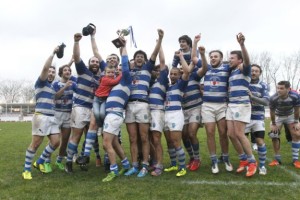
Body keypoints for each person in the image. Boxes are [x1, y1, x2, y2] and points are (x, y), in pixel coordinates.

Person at [124, 29, 164, 178]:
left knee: (144, 138)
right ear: (134, 60)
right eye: (137, 56)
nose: (139, 58)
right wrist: (122, 43)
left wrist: (159, 39)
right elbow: (123, 57)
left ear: (145, 60)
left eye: (142, 56)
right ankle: (135, 166)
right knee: (133, 139)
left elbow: (154, 55)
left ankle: (145, 166)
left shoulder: (147, 69)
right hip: (129, 106)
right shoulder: (129, 71)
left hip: (142, 105)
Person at [65, 32, 102, 173]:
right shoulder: (83, 71)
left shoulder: (101, 76)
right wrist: (76, 42)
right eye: (93, 61)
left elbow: (98, 53)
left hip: (93, 108)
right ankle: (69, 161)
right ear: (89, 63)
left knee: (90, 136)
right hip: (80, 107)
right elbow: (76, 57)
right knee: (77, 135)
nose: (95, 63)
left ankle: (83, 159)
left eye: (97, 62)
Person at [192, 46, 232, 174]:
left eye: (216, 56)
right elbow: (194, 58)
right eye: (211, 56)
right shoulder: (206, 67)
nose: (213, 58)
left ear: (221, 58)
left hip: (222, 105)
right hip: (208, 105)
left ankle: (225, 158)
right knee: (210, 132)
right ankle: (214, 161)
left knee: (222, 132)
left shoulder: (227, 68)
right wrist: (195, 43)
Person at [22, 47, 61, 180]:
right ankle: (26, 170)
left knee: (56, 142)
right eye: (49, 71)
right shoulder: (41, 82)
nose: (50, 73)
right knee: (36, 144)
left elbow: (56, 96)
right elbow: (44, 69)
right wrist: (53, 54)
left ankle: (39, 162)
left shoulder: (52, 86)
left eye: (53, 72)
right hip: (41, 117)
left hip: (52, 117)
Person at [226, 33, 257, 177]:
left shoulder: (244, 69)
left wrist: (242, 45)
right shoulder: (232, 73)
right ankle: (243, 159)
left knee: (239, 133)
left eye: (232, 58)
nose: (229, 60)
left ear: (239, 60)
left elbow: (248, 61)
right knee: (231, 134)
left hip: (241, 104)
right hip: (231, 105)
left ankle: (252, 162)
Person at [163, 50, 199, 177]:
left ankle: (183, 167)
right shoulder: (167, 87)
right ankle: (174, 164)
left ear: (179, 76)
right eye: (171, 74)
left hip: (175, 114)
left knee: (176, 141)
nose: (172, 75)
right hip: (165, 115)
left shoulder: (181, 85)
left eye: (175, 74)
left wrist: (181, 57)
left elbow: (187, 71)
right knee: (169, 142)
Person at [101, 37, 131, 182]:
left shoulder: (126, 80)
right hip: (113, 115)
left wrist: (124, 47)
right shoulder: (114, 85)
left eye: (120, 71)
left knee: (106, 143)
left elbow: (124, 64)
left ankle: (113, 170)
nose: (118, 72)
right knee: (114, 143)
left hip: (114, 114)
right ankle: (125, 164)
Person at [181, 34, 207, 171]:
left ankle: (197, 159)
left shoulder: (195, 76)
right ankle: (191, 157)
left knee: (191, 133)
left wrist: (195, 43)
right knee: (183, 135)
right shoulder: (178, 79)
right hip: (183, 109)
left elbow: (202, 67)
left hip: (196, 107)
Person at [269, 81, 300, 168]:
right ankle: (277, 159)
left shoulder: (295, 96)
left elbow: (297, 109)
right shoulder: (273, 98)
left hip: (290, 115)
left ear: (288, 89)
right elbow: (272, 111)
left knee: (297, 134)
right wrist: (274, 124)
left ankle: (295, 160)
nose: (279, 90)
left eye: (281, 88)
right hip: (278, 116)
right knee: (274, 135)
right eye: (278, 88)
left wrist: (297, 121)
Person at [245, 64, 269, 175]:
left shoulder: (263, 85)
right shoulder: (243, 82)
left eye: (256, 71)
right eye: (252, 71)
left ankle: (263, 166)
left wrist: (252, 97)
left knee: (259, 141)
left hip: (258, 117)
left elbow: (266, 102)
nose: (253, 73)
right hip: (243, 117)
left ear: (260, 73)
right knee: (244, 143)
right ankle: (251, 163)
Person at [52, 61, 77, 171]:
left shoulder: (73, 83)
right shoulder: (56, 84)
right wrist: (65, 87)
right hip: (57, 113)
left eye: (70, 70)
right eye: (66, 70)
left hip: (68, 114)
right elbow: (55, 97)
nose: (68, 72)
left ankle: (59, 160)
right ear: (61, 73)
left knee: (65, 140)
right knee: (54, 140)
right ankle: (46, 160)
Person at [149, 45, 169, 176]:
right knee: (149, 138)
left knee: (156, 138)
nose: (157, 71)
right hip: (147, 111)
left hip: (157, 111)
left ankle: (160, 165)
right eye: (154, 70)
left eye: (158, 70)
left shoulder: (162, 80)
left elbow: (162, 62)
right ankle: (155, 161)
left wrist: (160, 44)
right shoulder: (148, 82)